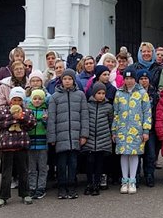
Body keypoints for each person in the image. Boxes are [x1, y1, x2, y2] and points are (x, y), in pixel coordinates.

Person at [47, 69, 89, 200]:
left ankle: (72, 187)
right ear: (61, 80)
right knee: (61, 164)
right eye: (65, 79)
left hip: (75, 136)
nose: (67, 81)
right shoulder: (55, 97)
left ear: (73, 80)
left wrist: (84, 135)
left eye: (70, 79)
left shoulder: (80, 95)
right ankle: (62, 187)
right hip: (61, 137)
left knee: (73, 163)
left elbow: (84, 116)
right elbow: (51, 119)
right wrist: (52, 137)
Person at [0, 86, 36, 208]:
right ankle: (3, 196)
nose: (16, 102)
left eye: (19, 100)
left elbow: (32, 123)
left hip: (21, 146)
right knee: (6, 173)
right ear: (10, 100)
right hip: (7, 147)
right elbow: (1, 123)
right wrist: (15, 118)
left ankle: (25, 194)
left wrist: (22, 118)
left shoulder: (27, 112)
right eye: (14, 99)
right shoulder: (3, 111)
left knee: (23, 171)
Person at [113, 69, 152, 194]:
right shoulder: (119, 93)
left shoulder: (142, 93)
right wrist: (114, 130)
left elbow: (147, 113)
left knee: (134, 154)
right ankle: (124, 180)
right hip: (122, 129)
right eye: (126, 78)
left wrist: (146, 130)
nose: (129, 81)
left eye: (131, 78)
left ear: (135, 79)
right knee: (124, 154)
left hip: (136, 129)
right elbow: (116, 113)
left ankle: (132, 180)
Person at [83, 82, 113, 196]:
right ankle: (89, 183)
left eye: (103, 93)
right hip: (90, 139)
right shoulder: (87, 105)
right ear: (94, 93)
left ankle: (96, 184)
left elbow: (111, 122)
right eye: (99, 93)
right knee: (89, 163)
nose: (101, 95)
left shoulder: (108, 107)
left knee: (99, 164)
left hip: (103, 139)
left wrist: (110, 135)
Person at [137, 70, 160, 187]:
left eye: (145, 79)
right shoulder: (134, 93)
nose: (143, 81)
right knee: (137, 154)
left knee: (150, 155)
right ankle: (135, 176)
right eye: (141, 79)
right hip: (136, 129)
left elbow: (156, 111)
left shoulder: (154, 94)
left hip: (150, 129)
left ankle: (149, 175)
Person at [25, 89, 49, 199]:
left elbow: (49, 125)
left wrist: (45, 121)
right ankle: (32, 187)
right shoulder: (27, 111)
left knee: (42, 167)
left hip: (42, 143)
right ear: (31, 99)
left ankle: (41, 187)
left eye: (40, 99)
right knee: (31, 168)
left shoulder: (45, 110)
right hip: (30, 143)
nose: (37, 101)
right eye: (35, 98)